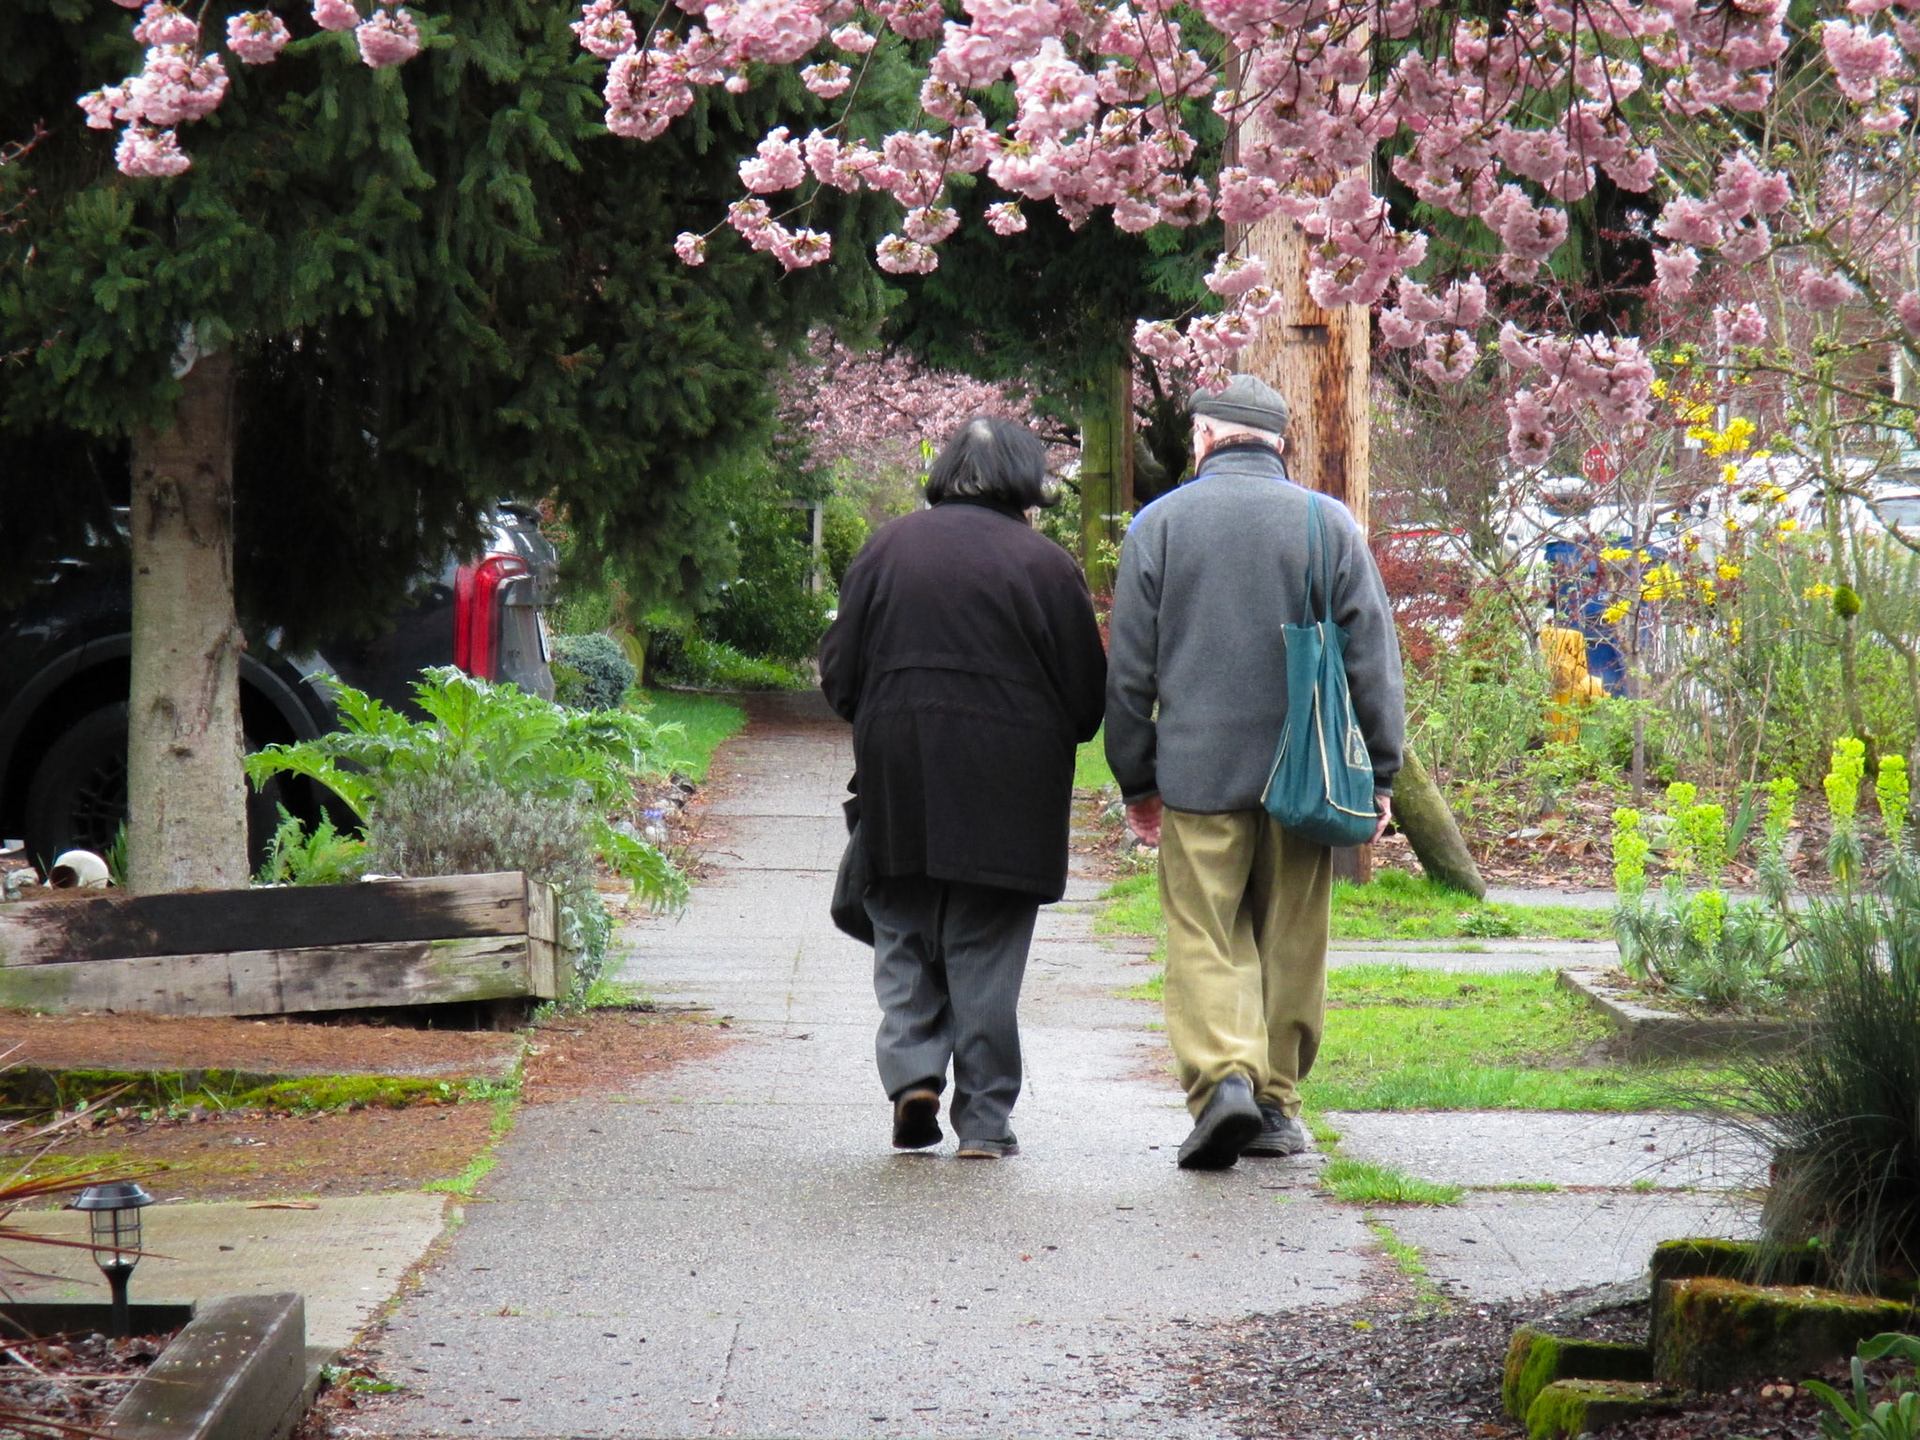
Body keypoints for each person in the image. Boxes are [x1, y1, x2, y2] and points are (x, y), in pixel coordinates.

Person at [1104, 374, 1404, 1170]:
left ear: (1203, 438)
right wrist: (1379, 775)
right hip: (1306, 774)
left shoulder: (1158, 526)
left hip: (1198, 773)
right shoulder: (1325, 523)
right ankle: (1274, 1101)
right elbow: (1374, 658)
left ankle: (1222, 1080)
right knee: (1292, 938)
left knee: (1205, 934)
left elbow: (1129, 674)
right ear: (1278, 443)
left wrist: (1137, 781)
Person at [820, 416, 1107, 1159]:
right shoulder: (1047, 566)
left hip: (900, 765)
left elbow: (839, 676)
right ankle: (983, 1119)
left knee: (903, 923)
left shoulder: (886, 549)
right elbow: (1084, 700)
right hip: (1009, 781)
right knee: (984, 943)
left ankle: (914, 1074)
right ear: (1026, 481)